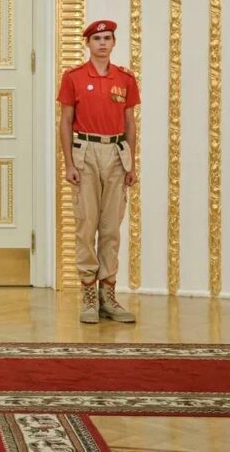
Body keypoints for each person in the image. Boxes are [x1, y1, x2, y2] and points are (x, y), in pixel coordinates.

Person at [57, 19, 140, 324]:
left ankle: (108, 294)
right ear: (88, 44)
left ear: (114, 43)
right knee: (86, 224)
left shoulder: (125, 78)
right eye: (97, 39)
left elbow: (130, 122)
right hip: (86, 152)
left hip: (116, 153)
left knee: (110, 228)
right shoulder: (74, 77)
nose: (102, 43)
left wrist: (132, 163)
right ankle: (88, 295)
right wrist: (69, 163)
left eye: (107, 38)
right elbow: (66, 121)